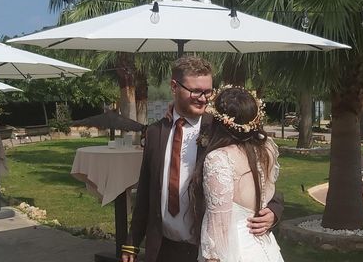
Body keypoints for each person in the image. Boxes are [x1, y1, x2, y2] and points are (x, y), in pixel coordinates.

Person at [121, 56, 283, 262]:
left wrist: (274, 210)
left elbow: (258, 169)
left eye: (208, 91)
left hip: (204, 248)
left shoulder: (221, 131)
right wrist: (132, 241)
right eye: (196, 91)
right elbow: (146, 190)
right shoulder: (155, 132)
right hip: (163, 248)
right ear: (174, 86)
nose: (203, 98)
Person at [191, 86, 284, 262]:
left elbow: (219, 226)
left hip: (235, 251)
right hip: (265, 249)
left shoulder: (219, 158)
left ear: (220, 121)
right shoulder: (267, 148)